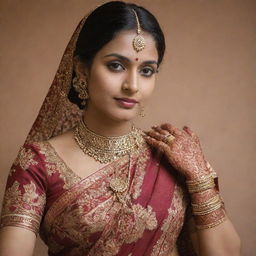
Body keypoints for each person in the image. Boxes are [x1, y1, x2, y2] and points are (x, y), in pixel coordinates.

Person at [0, 1, 241, 255]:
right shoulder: (37, 163)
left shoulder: (173, 157)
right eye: (116, 65)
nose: (132, 85)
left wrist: (200, 178)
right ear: (82, 68)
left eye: (147, 70)